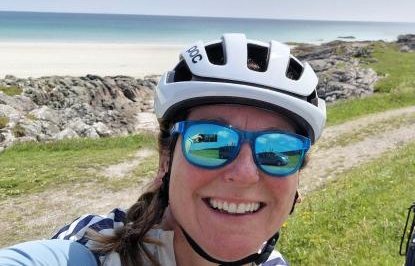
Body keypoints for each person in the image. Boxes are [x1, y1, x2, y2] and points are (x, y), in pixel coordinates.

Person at [0, 33, 326, 265]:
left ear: (296, 185)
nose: (243, 174)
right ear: (165, 162)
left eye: (279, 150)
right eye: (210, 140)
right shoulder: (90, 250)